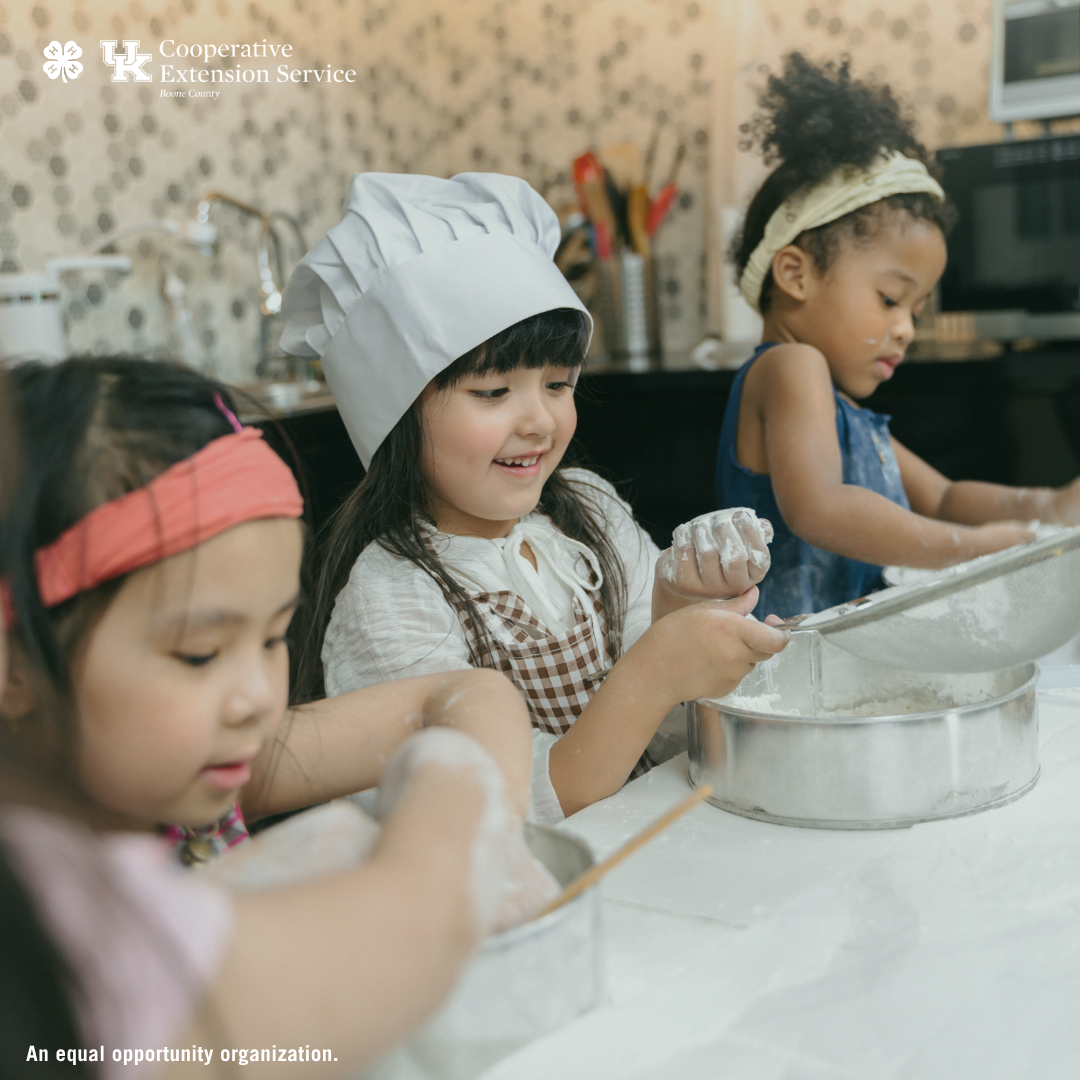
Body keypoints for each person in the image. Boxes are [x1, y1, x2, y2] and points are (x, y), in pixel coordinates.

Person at [0, 356, 554, 1077]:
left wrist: (499, 824)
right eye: (199, 653)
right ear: (17, 667)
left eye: (269, 639)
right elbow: (419, 926)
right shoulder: (48, 919)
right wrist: (459, 825)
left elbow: (464, 696)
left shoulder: (199, 757)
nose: (259, 696)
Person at [281, 171, 790, 822]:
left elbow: (665, 724)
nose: (541, 421)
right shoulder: (391, 600)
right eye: (493, 393)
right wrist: (658, 669)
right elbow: (494, 810)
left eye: (558, 383)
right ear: (397, 415)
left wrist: (683, 608)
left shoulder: (587, 508)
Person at [716, 53, 1080, 620]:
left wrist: (1049, 507)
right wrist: (980, 549)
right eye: (890, 298)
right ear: (795, 274)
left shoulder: (842, 413)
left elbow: (944, 498)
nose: (906, 329)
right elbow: (823, 509)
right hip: (790, 676)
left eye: (916, 308)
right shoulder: (790, 368)